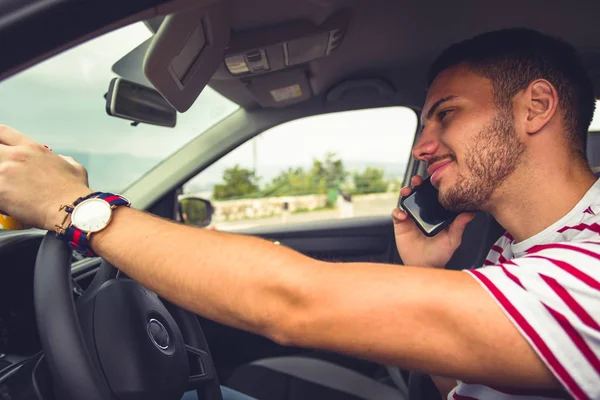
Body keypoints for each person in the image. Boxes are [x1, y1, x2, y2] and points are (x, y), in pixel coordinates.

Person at [0, 27, 598, 400]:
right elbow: (463, 386)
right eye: (424, 122)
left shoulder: (588, 268)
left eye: (446, 113)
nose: (423, 144)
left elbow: (295, 302)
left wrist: (77, 208)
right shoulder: (520, 249)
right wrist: (436, 278)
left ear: (536, 106)